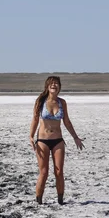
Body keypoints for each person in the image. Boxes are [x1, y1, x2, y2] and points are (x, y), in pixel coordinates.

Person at [29, 76, 84, 205]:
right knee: (44, 172)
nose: (54, 85)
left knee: (59, 171)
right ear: (47, 86)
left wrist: (75, 137)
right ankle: (39, 200)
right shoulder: (40, 101)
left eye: (56, 83)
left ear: (59, 87)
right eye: (52, 83)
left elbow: (66, 121)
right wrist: (31, 136)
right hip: (43, 141)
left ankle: (60, 200)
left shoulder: (62, 102)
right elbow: (35, 119)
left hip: (58, 141)